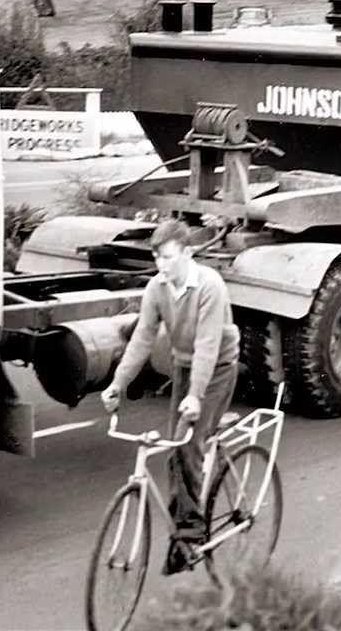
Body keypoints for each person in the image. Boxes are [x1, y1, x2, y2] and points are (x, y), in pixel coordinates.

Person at [101, 219, 241, 575]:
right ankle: (184, 530)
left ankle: (191, 534)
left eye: (168, 258)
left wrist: (195, 397)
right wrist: (117, 383)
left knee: (188, 445)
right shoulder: (157, 288)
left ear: (187, 254)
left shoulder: (210, 286)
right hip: (184, 365)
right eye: (157, 258)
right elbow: (142, 340)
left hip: (218, 367)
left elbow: (209, 346)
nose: (162, 266)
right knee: (172, 448)